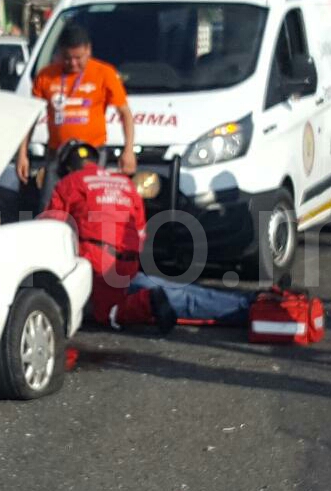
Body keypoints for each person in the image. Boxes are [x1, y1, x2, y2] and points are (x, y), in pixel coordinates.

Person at [40, 140, 254, 332]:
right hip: (128, 262)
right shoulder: (124, 183)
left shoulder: (69, 183)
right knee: (177, 291)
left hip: (98, 262)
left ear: (67, 167)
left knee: (108, 313)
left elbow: (51, 231)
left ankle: (147, 301)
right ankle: (245, 304)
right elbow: (141, 233)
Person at [17, 25, 135, 212]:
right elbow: (30, 117)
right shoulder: (46, 76)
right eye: (67, 58)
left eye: (78, 58)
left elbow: (125, 114)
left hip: (92, 154)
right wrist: (22, 154)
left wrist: (128, 150)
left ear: (88, 50)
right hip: (58, 154)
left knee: (89, 206)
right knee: (50, 206)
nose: (73, 63)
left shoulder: (104, 73)